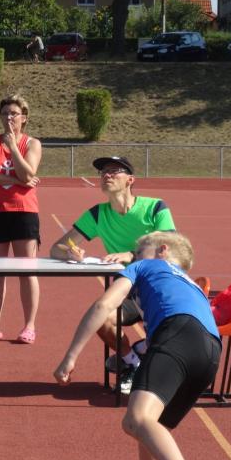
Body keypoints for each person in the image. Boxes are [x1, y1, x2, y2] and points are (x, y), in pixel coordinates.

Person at [54, 232, 220, 460]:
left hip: (176, 334)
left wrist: (70, 356)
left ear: (162, 250)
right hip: (210, 351)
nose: (133, 256)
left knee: (135, 419)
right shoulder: (188, 283)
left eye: (139, 251)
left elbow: (103, 306)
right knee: (151, 439)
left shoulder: (147, 266)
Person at [50, 156, 176, 394]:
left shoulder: (155, 207)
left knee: (168, 331)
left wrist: (131, 254)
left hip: (159, 288)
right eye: (103, 172)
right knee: (103, 318)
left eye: (114, 170)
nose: (107, 175)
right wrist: (70, 253)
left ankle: (143, 350)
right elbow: (56, 248)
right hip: (127, 290)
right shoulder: (98, 214)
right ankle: (132, 361)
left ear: (130, 180)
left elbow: (171, 246)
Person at [0, 95, 42, 342]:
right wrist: (16, 180)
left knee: (27, 271)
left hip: (23, 212)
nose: (9, 117)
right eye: (4, 113)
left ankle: (29, 326)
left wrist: (13, 147)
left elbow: (29, 173)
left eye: (14, 113)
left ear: (23, 118)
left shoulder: (32, 144)